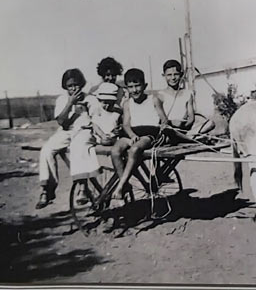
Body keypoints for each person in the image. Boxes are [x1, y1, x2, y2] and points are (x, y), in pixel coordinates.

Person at [36, 68, 97, 209]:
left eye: (76, 85)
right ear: (65, 87)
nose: (73, 88)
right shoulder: (62, 99)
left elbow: (97, 119)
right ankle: (47, 189)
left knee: (78, 148)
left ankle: (82, 189)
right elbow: (61, 122)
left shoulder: (90, 98)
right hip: (66, 131)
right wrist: (70, 103)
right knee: (47, 150)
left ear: (81, 84)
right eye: (70, 86)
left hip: (83, 131)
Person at [111, 68, 168, 200]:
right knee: (115, 151)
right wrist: (131, 135)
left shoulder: (153, 99)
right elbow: (126, 124)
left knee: (135, 149)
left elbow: (163, 118)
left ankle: (120, 187)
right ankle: (124, 183)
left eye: (137, 85)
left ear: (145, 85)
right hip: (132, 133)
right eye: (130, 87)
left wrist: (164, 125)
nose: (135, 90)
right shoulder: (127, 104)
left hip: (149, 133)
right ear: (126, 88)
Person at [157, 59, 215, 139]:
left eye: (176, 74)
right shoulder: (160, 95)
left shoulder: (188, 93)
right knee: (166, 130)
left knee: (210, 123)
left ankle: (186, 137)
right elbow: (162, 120)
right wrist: (173, 123)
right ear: (164, 75)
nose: (173, 78)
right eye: (169, 75)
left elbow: (191, 118)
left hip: (185, 128)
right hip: (170, 129)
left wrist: (184, 125)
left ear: (181, 74)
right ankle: (190, 138)